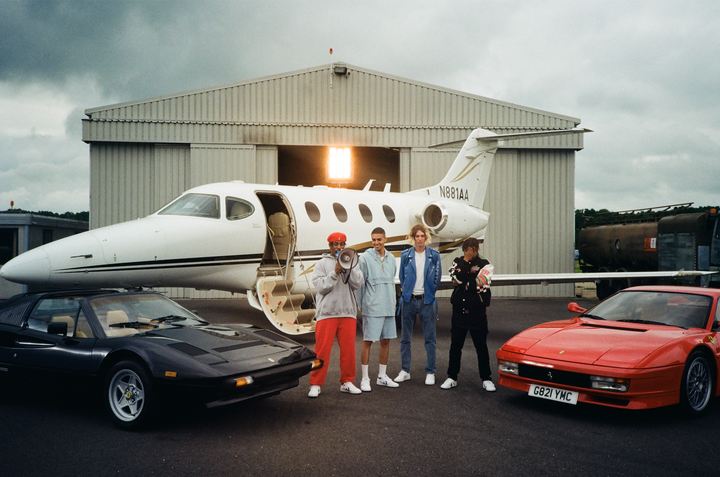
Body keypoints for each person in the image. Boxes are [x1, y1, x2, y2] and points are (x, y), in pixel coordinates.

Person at [308, 232, 364, 398]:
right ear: (330, 246)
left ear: (345, 245)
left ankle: (347, 382)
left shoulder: (352, 261)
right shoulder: (321, 264)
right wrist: (334, 273)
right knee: (322, 350)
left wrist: (349, 269)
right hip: (327, 313)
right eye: (335, 244)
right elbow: (321, 287)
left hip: (347, 312)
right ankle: (315, 384)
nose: (338, 247)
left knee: (348, 350)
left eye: (341, 244)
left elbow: (358, 284)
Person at [440, 237, 496, 392]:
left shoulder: (486, 264)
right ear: (463, 250)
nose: (470, 252)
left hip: (477, 313)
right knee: (455, 346)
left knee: (481, 347)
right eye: (466, 250)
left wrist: (466, 280)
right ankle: (452, 377)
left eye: (472, 250)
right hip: (459, 312)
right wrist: (465, 264)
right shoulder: (458, 261)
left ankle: (486, 378)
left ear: (477, 250)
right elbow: (456, 279)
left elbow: (481, 284)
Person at [395, 224, 442, 386]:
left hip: (426, 301)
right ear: (413, 237)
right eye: (417, 236)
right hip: (408, 301)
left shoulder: (434, 256)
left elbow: (437, 278)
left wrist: (428, 294)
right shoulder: (405, 255)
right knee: (405, 338)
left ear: (426, 237)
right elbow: (402, 276)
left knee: (430, 338)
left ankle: (430, 371)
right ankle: (405, 370)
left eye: (422, 236)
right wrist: (407, 293)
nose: (420, 239)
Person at [356, 227, 399, 392]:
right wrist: (363, 305)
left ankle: (382, 376)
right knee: (367, 341)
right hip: (371, 308)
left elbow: (390, 280)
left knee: (385, 341)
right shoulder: (365, 258)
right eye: (373, 239)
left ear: (385, 239)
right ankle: (365, 378)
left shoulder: (391, 258)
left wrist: (392, 304)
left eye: (379, 239)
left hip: (388, 307)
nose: (376, 242)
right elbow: (359, 285)